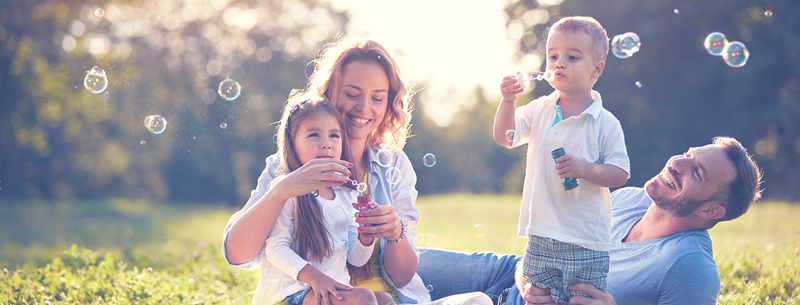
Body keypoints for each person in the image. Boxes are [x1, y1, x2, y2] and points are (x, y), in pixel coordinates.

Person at [416, 136, 762, 305]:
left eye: (696, 171)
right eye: (688, 156)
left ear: (711, 211)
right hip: (509, 272)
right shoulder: (628, 200)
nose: (677, 163)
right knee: (390, 260)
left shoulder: (689, 268)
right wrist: (524, 276)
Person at [223, 38, 432, 304]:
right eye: (352, 94)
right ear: (329, 93)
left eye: (377, 98)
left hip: (386, 296)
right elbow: (239, 254)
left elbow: (399, 275)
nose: (364, 108)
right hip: (309, 293)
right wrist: (282, 190)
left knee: (495, 270)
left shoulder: (394, 165)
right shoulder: (288, 166)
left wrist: (394, 232)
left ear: (389, 103)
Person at [493, 16, 630, 304]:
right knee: (538, 298)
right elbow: (505, 137)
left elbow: (620, 173)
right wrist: (507, 102)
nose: (559, 63)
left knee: (580, 300)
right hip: (541, 231)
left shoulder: (605, 123)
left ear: (597, 69)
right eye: (553, 56)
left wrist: (585, 169)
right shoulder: (540, 109)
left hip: (585, 239)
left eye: (572, 56)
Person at [252, 97, 391, 305]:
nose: (326, 143)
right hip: (288, 294)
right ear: (292, 143)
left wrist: (366, 236)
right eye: (314, 134)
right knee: (363, 298)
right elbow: (274, 249)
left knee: (383, 298)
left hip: (328, 289)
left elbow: (356, 259)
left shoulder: (347, 194)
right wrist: (317, 278)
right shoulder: (286, 190)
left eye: (334, 135)